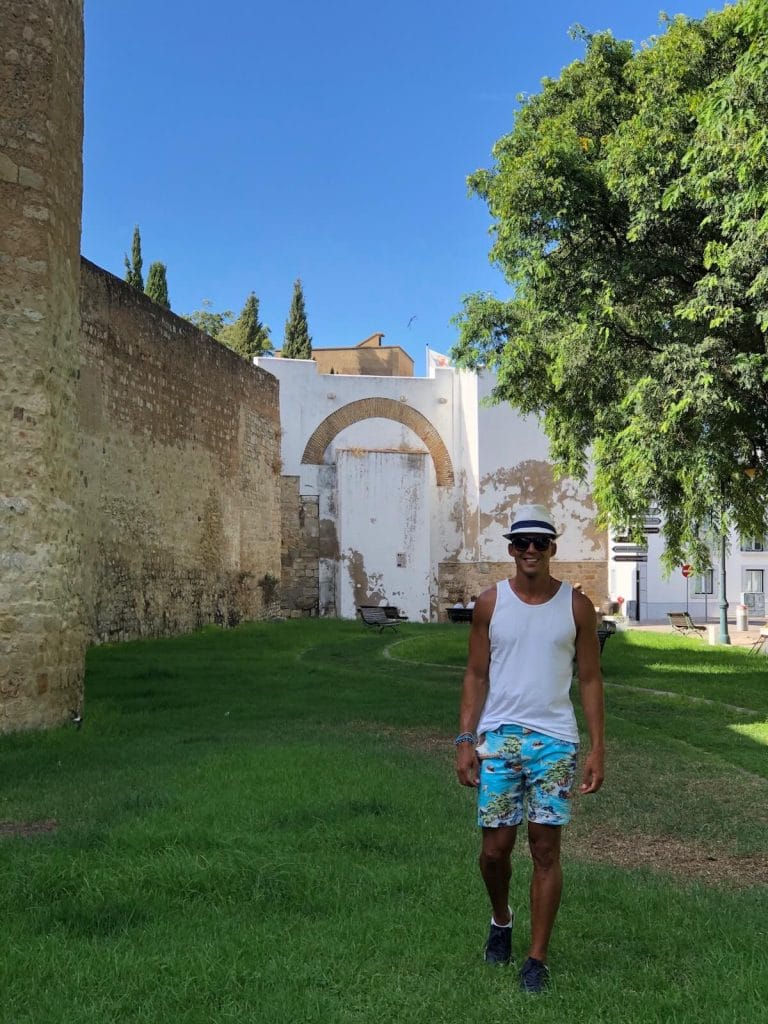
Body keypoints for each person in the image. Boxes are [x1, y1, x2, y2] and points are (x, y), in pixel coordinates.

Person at [455, 503, 604, 994]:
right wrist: (464, 740)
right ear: (511, 549)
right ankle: (502, 919)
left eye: (541, 542)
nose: (531, 551)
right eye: (523, 543)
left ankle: (536, 959)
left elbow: (589, 678)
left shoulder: (576, 607)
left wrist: (597, 746)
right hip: (498, 741)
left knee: (545, 849)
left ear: (553, 548)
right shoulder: (490, 603)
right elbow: (475, 674)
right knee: (494, 851)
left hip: (555, 743)